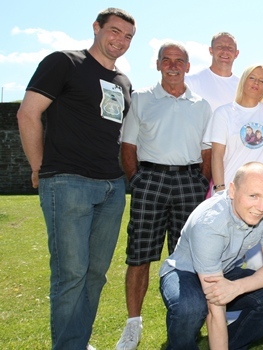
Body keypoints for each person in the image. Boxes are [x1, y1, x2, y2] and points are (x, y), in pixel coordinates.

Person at [16, 8, 136, 349]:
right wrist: (40, 168)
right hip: (68, 182)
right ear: (96, 28)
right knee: (71, 275)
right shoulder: (64, 62)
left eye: (128, 36)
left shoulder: (123, 83)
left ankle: (77, 341)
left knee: (95, 275)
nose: (121, 40)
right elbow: (28, 113)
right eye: (114, 31)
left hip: (112, 187)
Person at [117, 42, 212, 350]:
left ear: (187, 66)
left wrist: (201, 181)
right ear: (158, 65)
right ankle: (133, 324)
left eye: (179, 61)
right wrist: (139, 181)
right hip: (151, 180)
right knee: (140, 255)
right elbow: (128, 146)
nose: (173, 65)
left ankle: (189, 320)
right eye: (167, 60)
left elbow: (207, 150)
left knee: (188, 257)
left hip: (189, 181)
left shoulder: (201, 104)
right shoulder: (142, 98)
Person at [158, 162, 263, 350]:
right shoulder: (209, 224)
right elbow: (215, 310)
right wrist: (231, 289)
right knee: (191, 307)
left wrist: (236, 287)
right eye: (253, 196)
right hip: (184, 272)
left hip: (225, 271)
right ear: (233, 191)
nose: (261, 206)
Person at [205, 64, 263, 195]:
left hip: (261, 191)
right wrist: (220, 189)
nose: (256, 83)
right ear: (243, 81)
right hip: (230, 188)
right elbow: (217, 155)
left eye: (261, 81)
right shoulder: (223, 113)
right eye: (252, 78)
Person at [185, 32, 240, 112]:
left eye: (230, 48)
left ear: (236, 54)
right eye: (219, 47)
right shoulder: (191, 82)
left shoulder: (242, 87)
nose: (225, 51)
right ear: (211, 50)